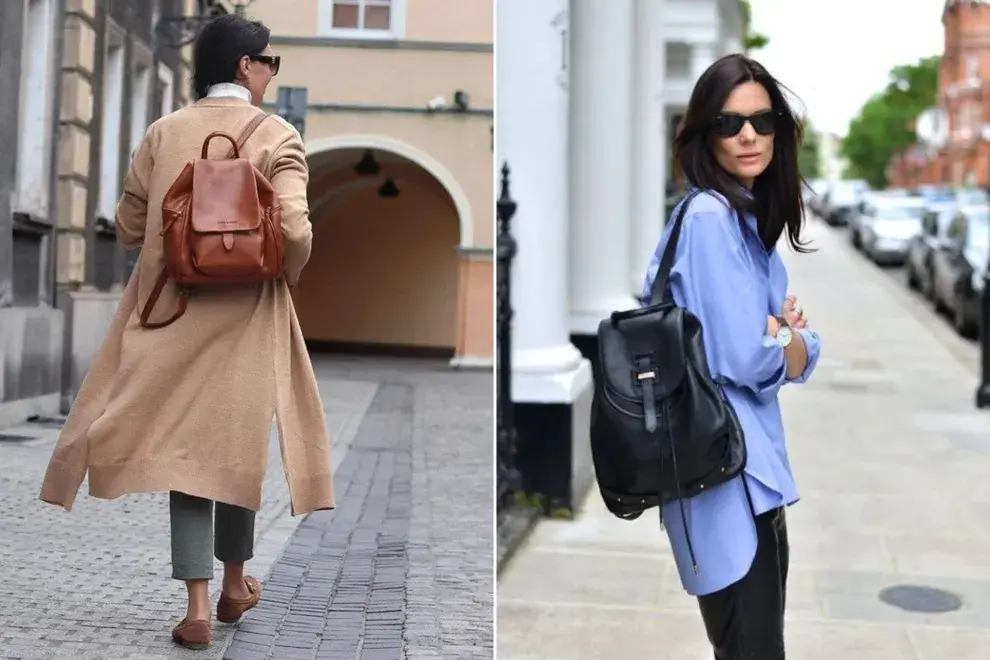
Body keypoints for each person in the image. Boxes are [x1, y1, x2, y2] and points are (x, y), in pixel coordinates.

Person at [38, 13, 335, 651]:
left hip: (169, 311)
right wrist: (284, 271)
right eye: (270, 62)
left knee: (185, 454)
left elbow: (126, 225)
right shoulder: (278, 134)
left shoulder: (164, 131)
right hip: (248, 314)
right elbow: (299, 230)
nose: (272, 73)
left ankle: (196, 606)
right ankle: (234, 583)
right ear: (244, 67)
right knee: (234, 449)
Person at [641, 53, 822, 659]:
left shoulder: (744, 222)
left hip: (751, 476)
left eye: (762, 121)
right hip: (724, 480)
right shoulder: (713, 220)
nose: (748, 135)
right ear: (703, 135)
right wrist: (785, 337)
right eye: (728, 123)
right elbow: (752, 358)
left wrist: (785, 337)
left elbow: (782, 346)